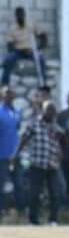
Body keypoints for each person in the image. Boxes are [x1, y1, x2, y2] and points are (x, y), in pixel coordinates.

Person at [16, 100, 64, 226]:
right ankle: (33, 220)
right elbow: (23, 140)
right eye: (48, 109)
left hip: (51, 165)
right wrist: (16, 155)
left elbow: (59, 145)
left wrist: (58, 159)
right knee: (35, 194)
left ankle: (53, 220)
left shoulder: (56, 127)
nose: (51, 112)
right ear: (43, 110)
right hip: (37, 164)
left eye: (53, 110)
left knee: (55, 193)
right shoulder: (33, 124)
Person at [1, 7, 46, 87]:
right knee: (8, 60)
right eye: (18, 16)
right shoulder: (12, 28)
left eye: (21, 15)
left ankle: (43, 84)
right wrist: (17, 51)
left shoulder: (31, 24)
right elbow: (10, 45)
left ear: (24, 15)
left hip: (32, 50)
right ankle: (4, 85)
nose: (20, 17)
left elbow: (43, 36)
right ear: (16, 17)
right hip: (19, 52)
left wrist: (38, 48)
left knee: (41, 59)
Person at [0, 85, 23, 219]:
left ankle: (21, 212)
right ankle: (1, 212)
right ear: (2, 95)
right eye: (6, 93)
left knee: (19, 184)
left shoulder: (17, 112)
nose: (9, 95)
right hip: (1, 156)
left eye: (11, 93)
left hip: (15, 156)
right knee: (1, 185)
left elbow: (18, 131)